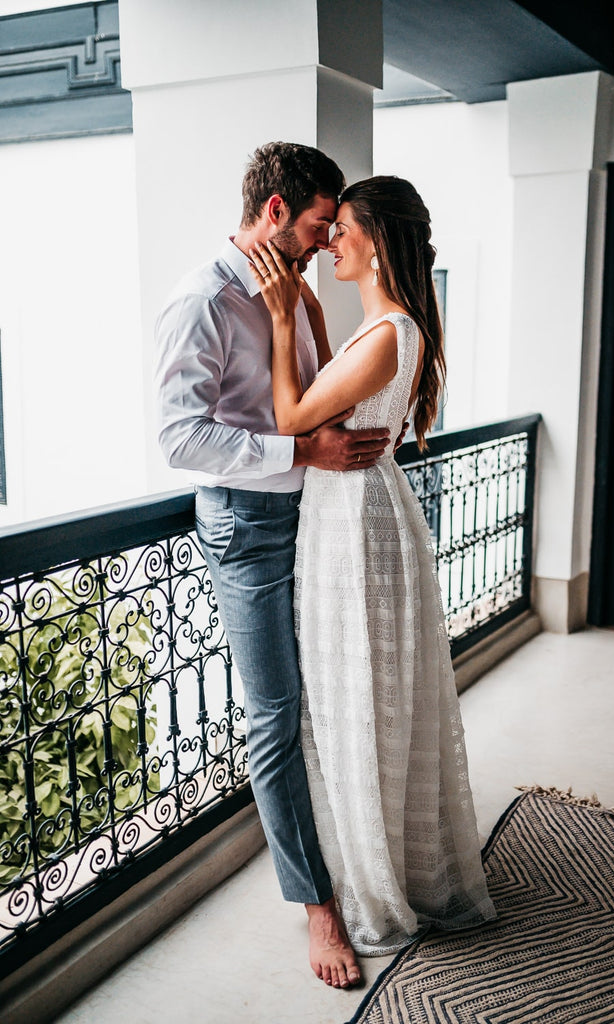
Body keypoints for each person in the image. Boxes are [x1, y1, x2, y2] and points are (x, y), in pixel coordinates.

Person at [155, 143, 392, 989]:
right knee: (275, 711)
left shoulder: (286, 289)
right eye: (319, 224)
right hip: (246, 525)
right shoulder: (201, 300)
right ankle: (314, 906)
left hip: (310, 514)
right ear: (274, 213)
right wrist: (301, 447)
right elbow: (179, 437)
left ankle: (356, 852)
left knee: (329, 689)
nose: (326, 242)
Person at [249, 175, 496, 956]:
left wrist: (284, 320)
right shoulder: (381, 328)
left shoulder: (390, 333)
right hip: (348, 512)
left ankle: (379, 875)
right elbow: (329, 398)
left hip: (354, 524)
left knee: (359, 692)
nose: (330, 241)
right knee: (358, 690)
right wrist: (314, 307)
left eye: (343, 229)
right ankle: (375, 853)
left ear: (378, 240)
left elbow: (292, 417)